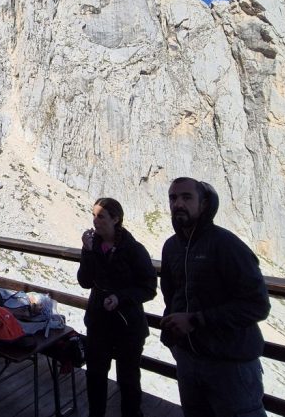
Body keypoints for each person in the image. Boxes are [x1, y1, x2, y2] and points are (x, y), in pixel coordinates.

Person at [160, 178, 271, 417]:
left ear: (204, 203)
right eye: (173, 198)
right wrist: (172, 336)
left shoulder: (226, 245)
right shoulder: (171, 247)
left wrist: (195, 320)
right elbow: (171, 296)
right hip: (188, 361)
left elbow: (257, 305)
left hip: (230, 365)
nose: (178, 203)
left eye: (187, 197)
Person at [77, 198, 157, 417]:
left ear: (115, 219)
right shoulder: (93, 245)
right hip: (98, 321)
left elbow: (149, 288)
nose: (95, 221)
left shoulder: (133, 249)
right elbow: (84, 281)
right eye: (93, 215)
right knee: (95, 375)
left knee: (128, 379)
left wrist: (120, 298)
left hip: (127, 324)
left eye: (101, 216)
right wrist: (87, 251)